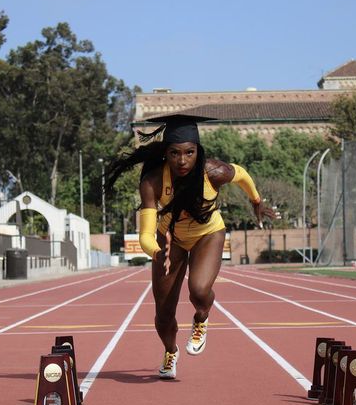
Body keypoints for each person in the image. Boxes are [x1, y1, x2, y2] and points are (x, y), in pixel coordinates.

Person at [106, 114, 275, 379]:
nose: (182, 161)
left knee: (198, 289)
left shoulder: (213, 172)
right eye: (174, 153)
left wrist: (256, 200)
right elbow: (146, 234)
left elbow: (241, 174)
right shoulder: (152, 182)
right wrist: (156, 252)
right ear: (166, 153)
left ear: (198, 151)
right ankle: (170, 352)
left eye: (189, 152)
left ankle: (201, 317)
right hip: (169, 239)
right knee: (163, 314)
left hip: (207, 234)